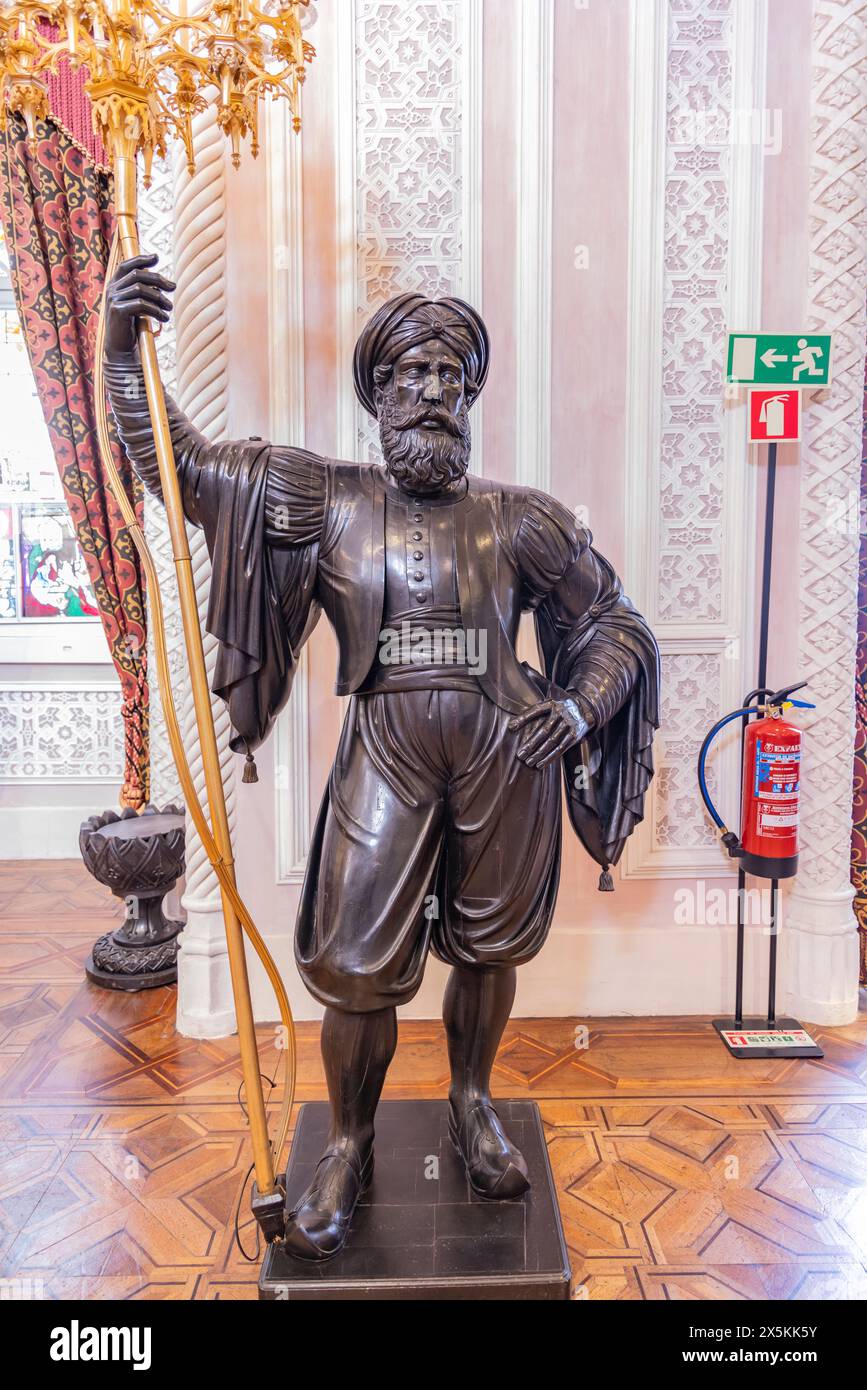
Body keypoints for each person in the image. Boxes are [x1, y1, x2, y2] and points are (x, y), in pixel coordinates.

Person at [103, 254, 660, 1261]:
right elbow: (176, 468)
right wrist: (118, 350)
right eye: (413, 373)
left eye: (452, 375)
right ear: (378, 393)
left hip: (506, 753)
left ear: (471, 393)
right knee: (357, 970)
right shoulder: (323, 499)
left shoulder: (522, 517)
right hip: (386, 751)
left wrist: (580, 706)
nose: (435, 391)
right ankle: (350, 1141)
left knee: (491, 949)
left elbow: (614, 621)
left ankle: (473, 1099)